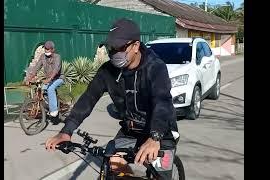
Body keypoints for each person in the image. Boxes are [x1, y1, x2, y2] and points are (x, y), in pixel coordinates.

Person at [45, 18, 178, 179]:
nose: (114, 53)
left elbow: (162, 101)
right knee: (112, 165)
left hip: (160, 131)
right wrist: (66, 131)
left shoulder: (155, 67)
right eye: (110, 48)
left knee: (160, 176)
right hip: (131, 130)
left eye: (119, 48)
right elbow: (89, 98)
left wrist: (155, 137)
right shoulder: (107, 71)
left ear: (135, 46)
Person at [25, 41, 64, 117]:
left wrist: (50, 79)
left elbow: (56, 69)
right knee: (41, 89)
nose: (46, 50)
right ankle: (47, 105)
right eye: (45, 49)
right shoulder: (43, 57)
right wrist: (29, 78)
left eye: (48, 49)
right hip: (49, 79)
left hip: (58, 78)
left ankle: (54, 110)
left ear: (53, 49)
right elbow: (36, 68)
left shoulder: (57, 57)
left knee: (50, 89)